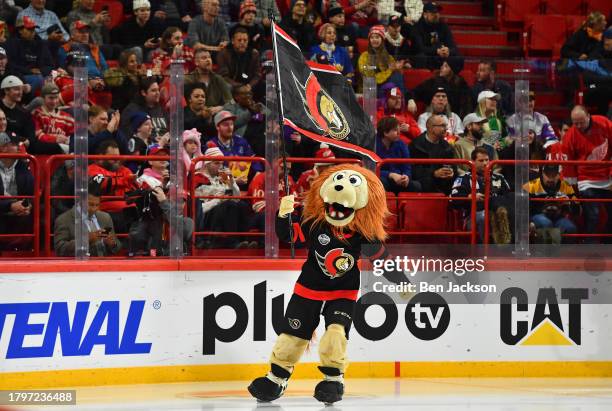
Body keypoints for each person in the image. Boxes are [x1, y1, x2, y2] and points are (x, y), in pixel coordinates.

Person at [248, 164, 409, 405]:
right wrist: (283, 215)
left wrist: (402, 283)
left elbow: (383, 261)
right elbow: (289, 237)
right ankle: (276, 378)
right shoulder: (315, 224)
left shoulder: (363, 235)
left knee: (335, 335)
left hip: (342, 293)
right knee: (291, 336)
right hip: (308, 289)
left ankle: (333, 381)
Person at [130, 145, 194, 255]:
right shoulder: (143, 179)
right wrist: (163, 196)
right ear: (150, 161)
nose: (163, 158)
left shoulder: (187, 222)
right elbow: (136, 236)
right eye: (158, 156)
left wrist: (164, 199)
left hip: (176, 262)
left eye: (165, 156)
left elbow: (180, 227)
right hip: (154, 224)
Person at [560, 105, 612, 241]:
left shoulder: (604, 123)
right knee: (593, 214)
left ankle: (608, 242)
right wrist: (573, 187)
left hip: (608, 176)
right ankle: (590, 244)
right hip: (586, 179)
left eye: (581, 122)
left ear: (589, 116)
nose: (578, 126)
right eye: (575, 123)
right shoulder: (570, 136)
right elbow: (568, 165)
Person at [451, 147, 512, 244]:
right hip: (473, 216)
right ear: (473, 161)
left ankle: (510, 249)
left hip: (498, 213)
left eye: (487, 160)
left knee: (511, 213)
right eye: (481, 160)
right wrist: (470, 197)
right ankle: (485, 251)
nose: (485, 163)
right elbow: (454, 201)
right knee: (484, 216)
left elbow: (509, 196)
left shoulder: (499, 177)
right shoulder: (464, 178)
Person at [194, 145, 251, 248]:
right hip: (206, 216)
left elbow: (237, 198)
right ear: (207, 164)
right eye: (216, 163)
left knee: (242, 205)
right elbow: (198, 209)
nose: (220, 166)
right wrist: (219, 200)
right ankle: (232, 243)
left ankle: (244, 241)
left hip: (223, 210)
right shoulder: (197, 179)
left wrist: (232, 182)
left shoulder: (222, 177)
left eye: (222, 163)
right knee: (229, 205)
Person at [54, 180, 121, 257]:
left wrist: (112, 244)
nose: (94, 209)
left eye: (97, 205)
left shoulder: (105, 217)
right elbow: (60, 249)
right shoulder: (64, 219)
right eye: (91, 205)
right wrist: (86, 239)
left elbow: (117, 246)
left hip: (103, 264)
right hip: (78, 266)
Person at [87, 139, 138, 233]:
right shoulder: (92, 169)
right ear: (100, 157)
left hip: (129, 211)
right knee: (108, 233)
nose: (117, 160)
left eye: (118, 157)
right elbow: (101, 184)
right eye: (112, 157)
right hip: (105, 211)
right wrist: (124, 181)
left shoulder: (124, 170)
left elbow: (135, 189)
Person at [206, 110, 262, 186]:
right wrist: (234, 181)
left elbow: (254, 161)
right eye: (225, 125)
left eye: (231, 124)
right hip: (222, 188)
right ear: (217, 127)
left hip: (245, 185)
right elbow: (212, 175)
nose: (230, 128)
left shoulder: (241, 141)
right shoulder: (211, 145)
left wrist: (258, 175)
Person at [524, 164, 577, 243]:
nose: (550, 178)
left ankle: (559, 253)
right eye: (548, 175)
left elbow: (577, 210)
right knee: (546, 223)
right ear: (542, 174)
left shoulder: (566, 186)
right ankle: (545, 253)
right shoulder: (531, 186)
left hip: (558, 217)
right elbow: (521, 207)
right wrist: (528, 222)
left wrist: (570, 204)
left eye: (553, 175)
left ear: (558, 175)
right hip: (537, 216)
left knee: (570, 228)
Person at [0, 131, 33, 251]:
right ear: (3, 148)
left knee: (43, 212)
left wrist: (28, 205)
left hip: (19, 209)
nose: (20, 146)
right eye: (14, 144)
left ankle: (24, 251)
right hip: (3, 209)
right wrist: (10, 206)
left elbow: (31, 192)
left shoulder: (23, 165)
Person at [409, 114, 456, 194]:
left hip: (444, 184)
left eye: (446, 126)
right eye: (442, 126)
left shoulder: (447, 146)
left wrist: (451, 171)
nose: (446, 129)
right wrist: (434, 173)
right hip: (423, 184)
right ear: (430, 127)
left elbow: (453, 165)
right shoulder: (416, 145)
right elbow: (414, 170)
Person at [5, 15, 52, 94]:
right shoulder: (11, 44)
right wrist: (29, 71)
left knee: (51, 79)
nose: (33, 32)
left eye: (34, 29)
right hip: (18, 76)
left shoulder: (40, 43)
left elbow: (50, 64)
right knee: (38, 79)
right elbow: (10, 65)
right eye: (29, 29)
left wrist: (41, 71)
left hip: (39, 75)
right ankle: (25, 101)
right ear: (20, 30)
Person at [357, 25, 405, 97]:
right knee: (392, 83)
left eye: (377, 37)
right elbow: (370, 77)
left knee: (397, 76)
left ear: (382, 40)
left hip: (387, 86)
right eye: (372, 37)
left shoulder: (388, 57)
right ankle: (399, 98)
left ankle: (398, 98)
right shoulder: (364, 56)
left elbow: (394, 72)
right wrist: (390, 70)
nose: (374, 40)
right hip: (371, 88)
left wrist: (398, 69)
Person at [376, 116, 420, 193]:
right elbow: (371, 168)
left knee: (417, 186)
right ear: (385, 133)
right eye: (395, 130)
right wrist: (391, 175)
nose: (399, 133)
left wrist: (406, 176)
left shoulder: (402, 144)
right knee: (381, 183)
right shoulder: (373, 145)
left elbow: (407, 166)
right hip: (382, 177)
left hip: (399, 178)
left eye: (399, 129)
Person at [222, 84, 267, 155]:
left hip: (260, 143)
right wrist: (250, 112)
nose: (248, 95)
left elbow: (273, 119)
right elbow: (232, 123)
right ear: (236, 96)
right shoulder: (229, 107)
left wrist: (263, 112)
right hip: (241, 142)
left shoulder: (258, 106)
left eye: (249, 93)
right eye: (244, 94)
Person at [412, 1, 459, 69]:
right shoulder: (417, 27)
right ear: (425, 14)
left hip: (440, 56)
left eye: (437, 12)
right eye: (433, 12)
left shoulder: (443, 26)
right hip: (426, 56)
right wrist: (436, 51)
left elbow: (453, 45)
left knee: (457, 58)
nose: (436, 15)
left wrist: (448, 50)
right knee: (421, 57)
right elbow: (420, 48)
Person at [31, 82, 74, 154]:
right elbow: (38, 136)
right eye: (51, 98)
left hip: (63, 154)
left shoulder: (67, 117)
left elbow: (74, 136)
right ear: (43, 98)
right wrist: (55, 139)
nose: (54, 101)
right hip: (43, 153)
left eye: (56, 97)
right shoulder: (36, 114)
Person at [216, 26, 261, 93]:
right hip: (232, 84)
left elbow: (257, 75)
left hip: (248, 84)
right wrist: (239, 86)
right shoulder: (223, 54)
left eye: (245, 40)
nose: (242, 43)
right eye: (239, 40)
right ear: (233, 41)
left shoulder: (254, 54)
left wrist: (249, 86)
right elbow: (223, 76)